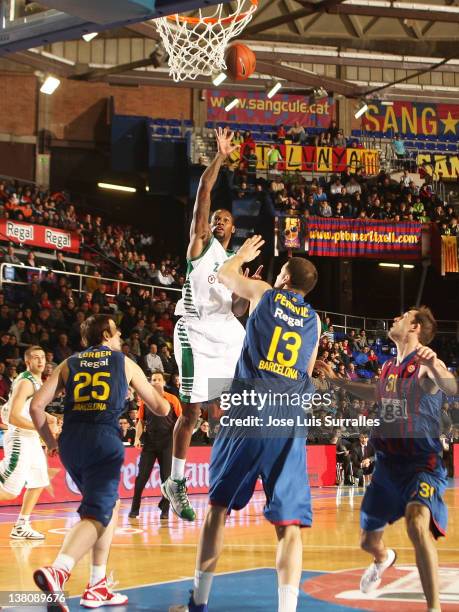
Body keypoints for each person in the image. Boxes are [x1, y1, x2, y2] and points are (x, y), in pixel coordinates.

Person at [173, 236, 321, 612]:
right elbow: (305, 372)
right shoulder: (315, 321)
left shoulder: (265, 293)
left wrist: (239, 257)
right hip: (288, 416)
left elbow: (223, 275)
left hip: (249, 409)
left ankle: (199, 603)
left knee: (217, 509)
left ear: (284, 278)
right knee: (288, 526)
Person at [316, 307, 457, 611]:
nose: (395, 318)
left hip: (422, 465)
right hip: (387, 466)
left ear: (415, 326)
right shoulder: (388, 367)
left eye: (403, 316)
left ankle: (433, 608)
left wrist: (438, 368)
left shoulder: (425, 363)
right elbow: (375, 394)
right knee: (367, 542)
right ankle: (383, 558)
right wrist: (336, 383)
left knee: (418, 522)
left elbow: (450, 386)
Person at [30, 314, 170, 611]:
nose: (120, 337)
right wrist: (165, 398)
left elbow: (36, 406)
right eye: (117, 332)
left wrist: (50, 441)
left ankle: (97, 584)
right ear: (106, 334)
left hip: (70, 442)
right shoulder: (123, 362)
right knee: (97, 514)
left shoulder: (69, 363)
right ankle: (59, 570)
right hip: (103, 440)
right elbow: (160, 408)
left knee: (110, 505)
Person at [161, 128, 247, 522]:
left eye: (225, 220)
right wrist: (219, 158)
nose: (218, 222)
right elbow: (203, 194)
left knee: (234, 407)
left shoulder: (234, 263)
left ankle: (228, 476)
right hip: (193, 330)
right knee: (192, 412)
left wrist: (246, 292)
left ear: (233, 229)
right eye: (215, 218)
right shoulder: (200, 245)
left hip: (224, 332)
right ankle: (175, 481)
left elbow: (239, 309)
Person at [0, 346, 57, 539]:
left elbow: (32, 408)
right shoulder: (25, 382)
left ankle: (21, 525)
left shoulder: (36, 381)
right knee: (8, 491)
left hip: (29, 438)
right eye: (35, 358)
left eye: (43, 357)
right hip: (18, 437)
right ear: (27, 362)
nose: (41, 361)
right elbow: (14, 417)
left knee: (39, 479)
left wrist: (49, 417)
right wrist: (43, 429)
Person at [129, 370, 181, 520]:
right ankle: (134, 509)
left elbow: (181, 421)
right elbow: (140, 421)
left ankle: (165, 510)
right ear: (150, 383)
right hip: (150, 443)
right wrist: (137, 438)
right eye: (154, 380)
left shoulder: (173, 400)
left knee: (166, 479)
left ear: (163, 382)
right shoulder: (145, 401)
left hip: (167, 443)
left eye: (159, 379)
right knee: (141, 478)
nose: (156, 382)